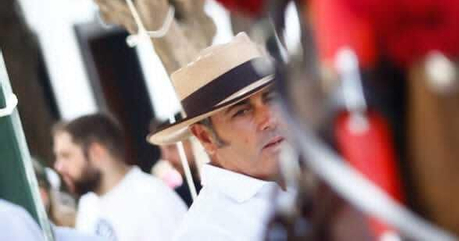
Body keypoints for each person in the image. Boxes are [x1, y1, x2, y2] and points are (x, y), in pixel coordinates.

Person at [148, 34, 286, 241]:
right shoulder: (207, 233)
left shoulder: (312, 178)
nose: (269, 119)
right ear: (205, 137)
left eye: (271, 98)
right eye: (242, 111)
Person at [51, 113, 186, 240]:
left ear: (96, 152)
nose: (58, 166)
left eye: (66, 156)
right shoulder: (87, 204)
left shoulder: (152, 197)